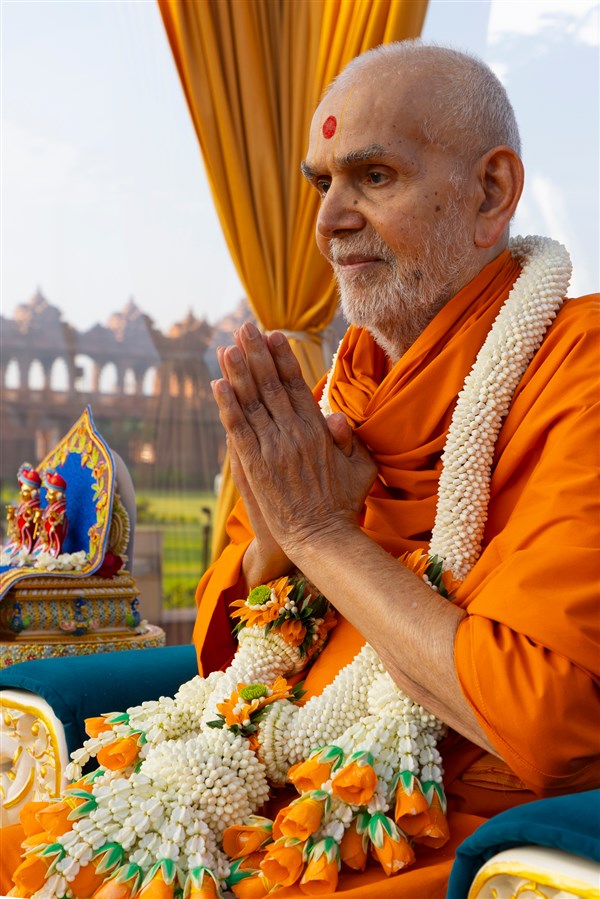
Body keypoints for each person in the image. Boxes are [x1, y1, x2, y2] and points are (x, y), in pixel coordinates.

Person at [1, 41, 597, 899]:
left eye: (375, 177)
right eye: (323, 183)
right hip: (241, 781)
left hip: (414, 828)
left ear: (491, 192)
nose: (328, 221)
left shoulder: (579, 374)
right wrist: (281, 536)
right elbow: (229, 646)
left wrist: (322, 535)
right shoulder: (332, 395)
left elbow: (545, 720)